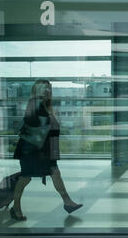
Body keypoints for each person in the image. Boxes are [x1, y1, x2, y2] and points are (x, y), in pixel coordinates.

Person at [11, 79, 83, 221]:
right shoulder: (35, 103)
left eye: (49, 89)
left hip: (41, 150)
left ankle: (68, 202)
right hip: (31, 151)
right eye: (44, 88)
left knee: (54, 173)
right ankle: (16, 208)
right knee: (25, 178)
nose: (47, 91)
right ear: (36, 90)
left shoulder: (44, 105)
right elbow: (33, 123)